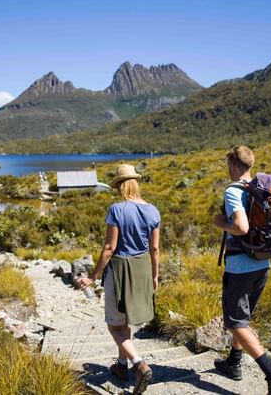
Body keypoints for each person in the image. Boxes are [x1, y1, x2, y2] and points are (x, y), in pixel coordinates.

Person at [213, 145, 271, 395]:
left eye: (228, 164)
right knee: (244, 318)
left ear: (233, 165)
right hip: (263, 262)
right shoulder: (265, 189)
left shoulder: (233, 191)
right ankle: (234, 362)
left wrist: (221, 223)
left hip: (240, 266)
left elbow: (241, 227)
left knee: (235, 322)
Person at [77, 164, 160, 395]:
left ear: (120, 185)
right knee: (125, 322)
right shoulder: (153, 211)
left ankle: (139, 364)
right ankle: (121, 367)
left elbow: (109, 247)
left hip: (120, 269)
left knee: (114, 326)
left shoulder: (116, 210)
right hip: (142, 268)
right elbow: (154, 248)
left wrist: (93, 277)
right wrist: (155, 275)